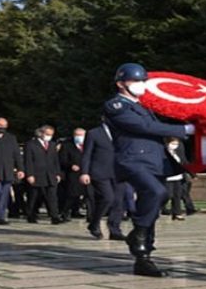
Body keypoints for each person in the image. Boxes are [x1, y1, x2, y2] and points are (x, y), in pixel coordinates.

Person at [104, 63, 194, 277]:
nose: (141, 85)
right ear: (120, 84)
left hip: (155, 160)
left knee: (153, 202)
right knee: (156, 192)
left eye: (143, 81)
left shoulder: (145, 106)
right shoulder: (116, 105)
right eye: (135, 81)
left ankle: (144, 257)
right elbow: (144, 127)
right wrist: (183, 129)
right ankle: (139, 234)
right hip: (133, 160)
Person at [81, 120, 127, 240]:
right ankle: (94, 223)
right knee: (108, 198)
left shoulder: (122, 132)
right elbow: (87, 154)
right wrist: (85, 172)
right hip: (99, 171)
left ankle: (115, 230)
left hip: (118, 172)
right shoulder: (94, 133)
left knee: (118, 201)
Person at [0, 117, 25, 225]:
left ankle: (0, 216)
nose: (2, 127)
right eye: (0, 125)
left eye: (4, 125)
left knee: (4, 195)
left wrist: (20, 169)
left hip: (7, 170)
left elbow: (16, 154)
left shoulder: (10, 138)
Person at [24, 125, 63, 225]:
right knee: (34, 196)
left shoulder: (52, 145)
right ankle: (31, 214)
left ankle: (54, 216)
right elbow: (28, 161)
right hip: (37, 174)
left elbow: (56, 161)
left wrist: (58, 173)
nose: (49, 136)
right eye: (47, 134)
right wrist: (30, 174)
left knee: (52, 196)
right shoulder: (31, 144)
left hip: (50, 175)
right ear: (41, 133)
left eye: (51, 135)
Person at [59, 128, 87, 222]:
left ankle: (76, 211)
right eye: (76, 135)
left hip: (85, 172)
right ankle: (64, 212)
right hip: (72, 174)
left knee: (83, 194)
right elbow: (62, 160)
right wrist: (70, 165)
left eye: (81, 135)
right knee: (72, 194)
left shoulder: (87, 145)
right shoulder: (67, 146)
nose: (79, 137)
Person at [163, 137, 188, 221]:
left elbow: (183, 162)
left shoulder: (177, 153)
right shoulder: (164, 153)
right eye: (173, 144)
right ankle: (159, 207)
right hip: (168, 177)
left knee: (177, 195)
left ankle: (177, 213)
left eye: (176, 144)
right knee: (168, 194)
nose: (175, 146)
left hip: (178, 177)